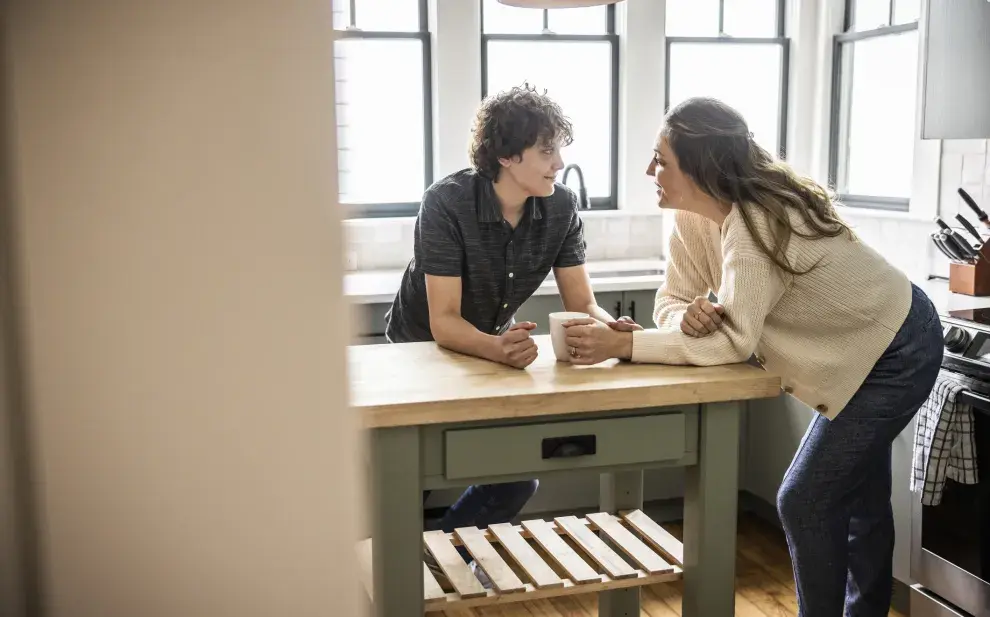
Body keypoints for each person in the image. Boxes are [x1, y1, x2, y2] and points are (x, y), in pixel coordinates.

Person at [561, 97, 943, 616]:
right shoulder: (692, 218)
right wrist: (686, 317)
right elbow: (671, 299)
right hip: (864, 346)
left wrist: (623, 344)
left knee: (805, 499)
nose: (649, 171)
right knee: (859, 497)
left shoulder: (756, 223)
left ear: (699, 168)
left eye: (661, 160)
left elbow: (733, 343)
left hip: (896, 348)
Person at [384, 83, 624, 583]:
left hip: (488, 349)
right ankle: (393, 581)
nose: (559, 163)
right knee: (409, 481)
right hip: (417, 353)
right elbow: (443, 321)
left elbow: (582, 304)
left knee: (515, 476)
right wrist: (497, 348)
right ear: (507, 156)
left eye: (559, 150)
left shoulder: (560, 207)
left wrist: (616, 331)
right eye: (547, 151)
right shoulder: (446, 203)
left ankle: (436, 563)